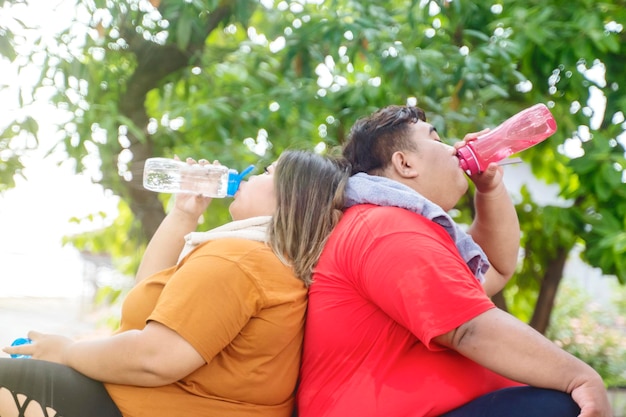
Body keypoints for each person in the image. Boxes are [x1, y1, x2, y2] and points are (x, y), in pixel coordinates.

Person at [296, 105, 611, 417]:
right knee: (559, 407)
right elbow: (469, 329)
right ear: (404, 163)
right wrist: (580, 377)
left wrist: (489, 188)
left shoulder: (397, 224)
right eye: (436, 138)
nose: (454, 149)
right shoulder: (384, 228)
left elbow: (495, 268)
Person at [1, 149, 349, 417]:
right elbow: (149, 295)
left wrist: (66, 351)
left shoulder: (240, 262)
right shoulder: (268, 262)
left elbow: (154, 358)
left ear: (290, 198)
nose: (251, 176)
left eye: (267, 172)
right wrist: (184, 212)